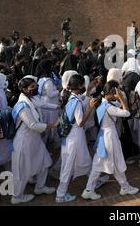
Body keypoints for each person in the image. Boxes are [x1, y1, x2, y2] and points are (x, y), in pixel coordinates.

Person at [82, 81, 139, 200]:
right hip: (109, 137)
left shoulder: (103, 104)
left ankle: (89, 189)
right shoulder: (109, 108)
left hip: (103, 136)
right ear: (113, 92)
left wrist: (118, 98)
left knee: (98, 164)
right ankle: (124, 187)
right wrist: (122, 99)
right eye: (117, 90)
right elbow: (126, 113)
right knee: (115, 162)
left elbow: (118, 107)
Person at [10, 77, 58, 204]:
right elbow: (32, 124)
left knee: (45, 161)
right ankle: (17, 196)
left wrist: (58, 106)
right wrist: (50, 126)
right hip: (24, 141)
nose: (35, 88)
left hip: (34, 139)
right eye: (32, 87)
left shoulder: (30, 99)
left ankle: (40, 187)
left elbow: (42, 104)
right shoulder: (22, 105)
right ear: (24, 89)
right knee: (22, 170)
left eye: (35, 86)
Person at [56, 74, 96, 203]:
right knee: (68, 166)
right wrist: (90, 108)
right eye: (83, 84)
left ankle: (93, 181)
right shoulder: (76, 102)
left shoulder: (71, 97)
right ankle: (60, 194)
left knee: (85, 160)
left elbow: (81, 99)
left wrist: (89, 90)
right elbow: (80, 122)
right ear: (79, 86)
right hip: (75, 136)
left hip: (70, 136)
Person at [35, 59, 61, 147]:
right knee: (52, 123)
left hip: (44, 103)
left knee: (46, 123)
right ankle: (51, 143)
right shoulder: (48, 81)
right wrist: (58, 90)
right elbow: (50, 94)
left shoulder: (41, 79)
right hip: (50, 105)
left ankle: (46, 144)